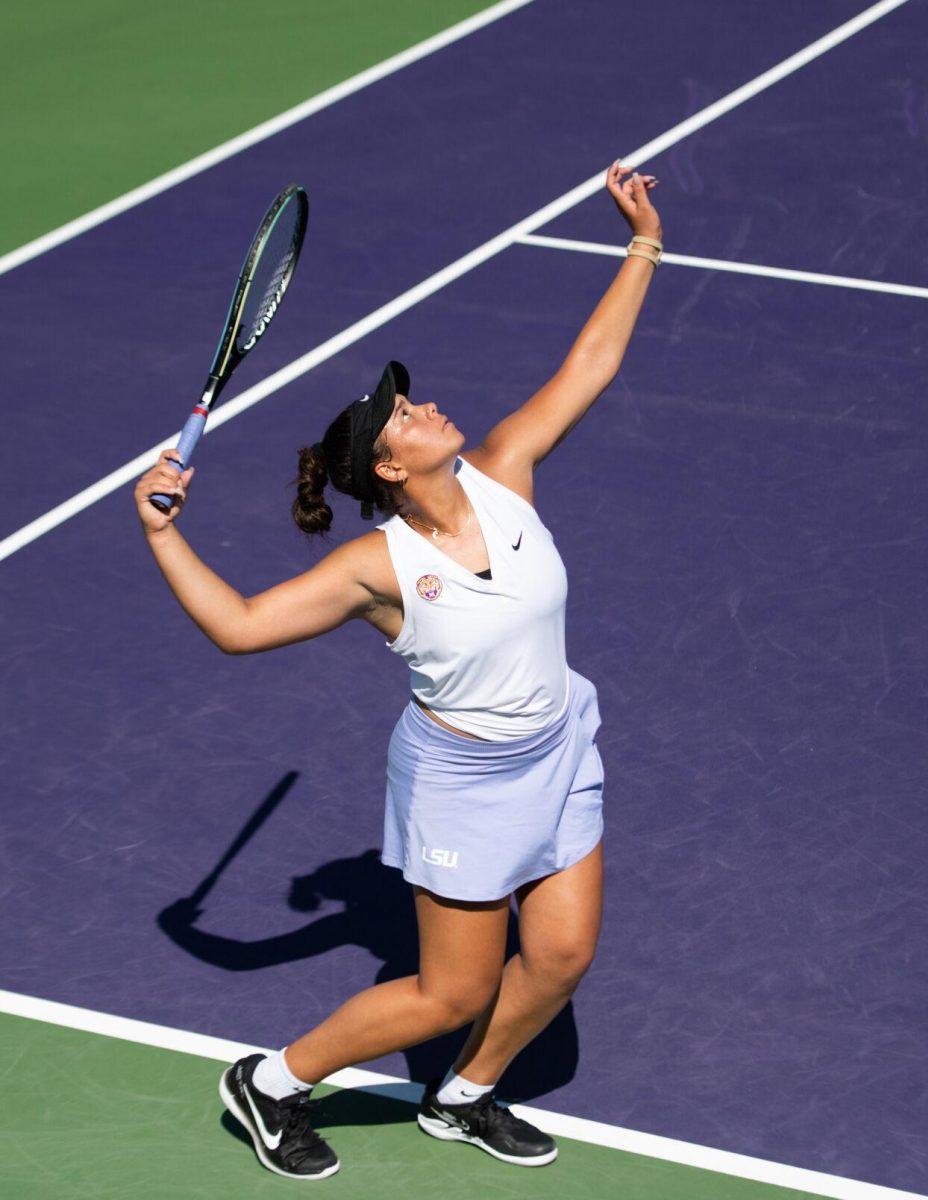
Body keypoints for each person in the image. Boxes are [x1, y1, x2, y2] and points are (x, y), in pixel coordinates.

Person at [134, 161, 662, 1182]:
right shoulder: (375, 569)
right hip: (463, 786)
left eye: (415, 400)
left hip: (560, 746)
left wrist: (642, 242)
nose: (426, 409)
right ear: (386, 466)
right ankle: (273, 1081)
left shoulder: (506, 472)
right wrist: (163, 537)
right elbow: (241, 627)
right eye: (406, 416)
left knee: (558, 958)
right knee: (448, 995)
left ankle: (462, 1096)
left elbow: (589, 367)